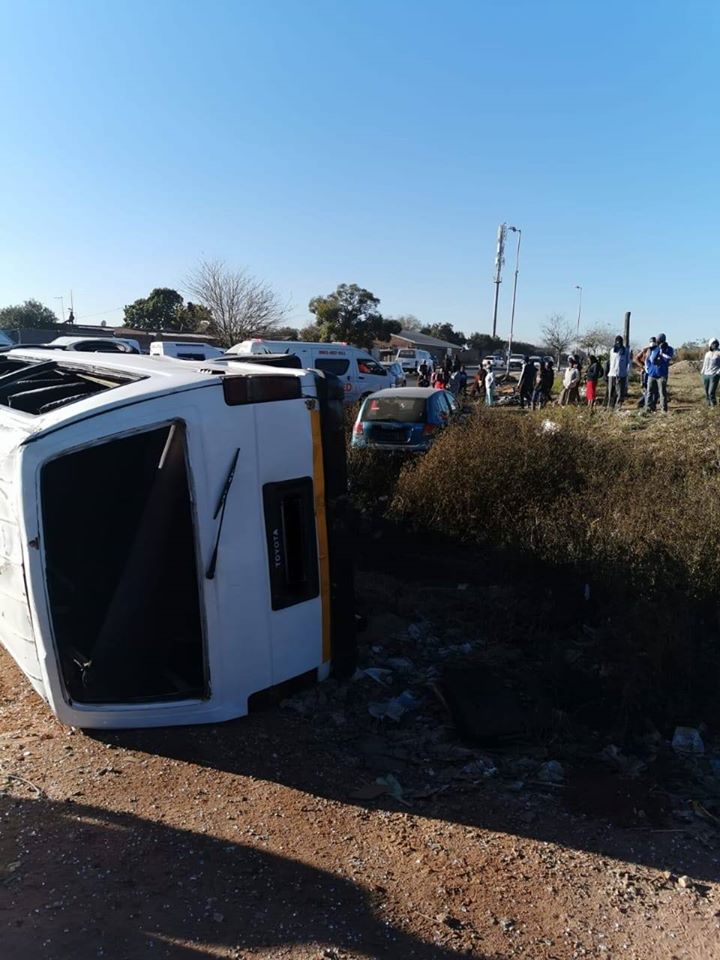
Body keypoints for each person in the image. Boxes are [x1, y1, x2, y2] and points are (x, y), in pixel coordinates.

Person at [645, 333, 674, 413]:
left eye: (659, 341)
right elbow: (649, 359)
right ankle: (649, 408)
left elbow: (668, 359)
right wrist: (648, 369)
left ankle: (663, 409)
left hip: (662, 374)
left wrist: (661, 352)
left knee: (662, 393)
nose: (658, 343)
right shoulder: (652, 349)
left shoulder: (669, 349)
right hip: (652, 374)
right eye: (657, 341)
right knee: (649, 392)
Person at [605, 335, 631, 409]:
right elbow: (610, 362)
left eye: (619, 342)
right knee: (611, 391)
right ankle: (610, 406)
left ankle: (618, 405)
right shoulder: (612, 350)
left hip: (621, 374)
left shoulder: (625, 351)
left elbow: (628, 362)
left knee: (619, 392)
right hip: (612, 374)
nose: (618, 343)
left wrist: (627, 372)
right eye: (617, 342)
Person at [634, 336, 657, 410]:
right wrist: (643, 366)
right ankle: (643, 403)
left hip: (653, 372)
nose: (652, 343)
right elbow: (636, 359)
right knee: (646, 389)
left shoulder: (658, 350)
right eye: (651, 341)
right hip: (645, 373)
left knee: (652, 390)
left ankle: (648, 404)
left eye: (653, 341)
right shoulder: (645, 350)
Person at [701, 338, 720, 407]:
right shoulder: (707, 354)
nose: (715, 344)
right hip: (706, 375)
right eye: (713, 343)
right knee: (706, 392)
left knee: (711, 392)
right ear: (710, 345)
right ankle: (708, 405)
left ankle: (713, 406)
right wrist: (702, 372)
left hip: (714, 375)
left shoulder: (719, 353)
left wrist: (718, 372)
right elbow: (705, 364)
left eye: (716, 343)